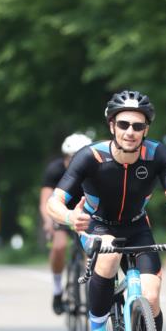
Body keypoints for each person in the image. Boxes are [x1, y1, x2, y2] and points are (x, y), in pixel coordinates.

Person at [46, 91, 166, 331]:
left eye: (138, 126)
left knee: (150, 296)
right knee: (110, 252)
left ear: (146, 129)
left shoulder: (157, 154)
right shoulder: (90, 156)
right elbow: (54, 202)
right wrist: (68, 218)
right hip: (97, 225)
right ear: (112, 126)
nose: (130, 132)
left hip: (137, 226)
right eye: (123, 124)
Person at [40, 133, 92, 314]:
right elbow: (45, 200)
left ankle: (93, 289)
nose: (77, 161)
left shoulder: (94, 167)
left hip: (86, 213)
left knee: (92, 251)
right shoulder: (55, 170)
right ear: (65, 157)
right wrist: (48, 222)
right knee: (59, 246)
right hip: (62, 213)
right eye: (72, 157)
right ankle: (57, 290)